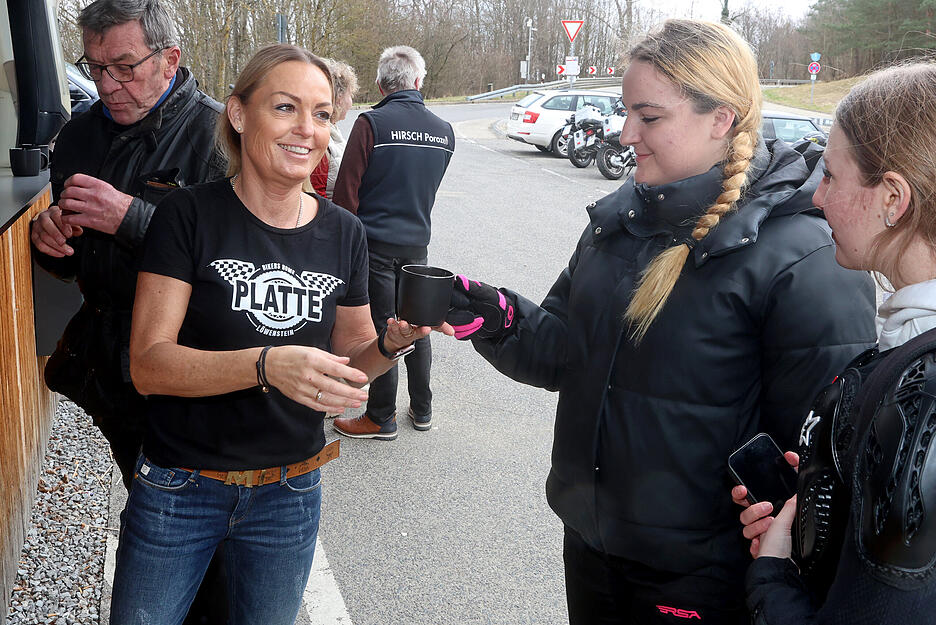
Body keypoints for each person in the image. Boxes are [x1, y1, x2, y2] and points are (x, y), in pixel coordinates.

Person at [444, 19, 877, 624]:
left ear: (721, 118)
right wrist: (494, 316)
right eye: (626, 112)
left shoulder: (803, 257)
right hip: (593, 547)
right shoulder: (615, 221)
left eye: (649, 117)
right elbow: (563, 353)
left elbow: (823, 456)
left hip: (707, 576)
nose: (626, 134)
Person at [110, 43, 443, 623]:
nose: (306, 130)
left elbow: (351, 364)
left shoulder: (345, 233)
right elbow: (149, 364)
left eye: (321, 114)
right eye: (286, 107)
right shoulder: (187, 216)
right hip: (179, 489)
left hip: (287, 495)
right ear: (239, 115)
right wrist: (266, 363)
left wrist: (393, 344)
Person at [734, 62, 936, 624]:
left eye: (831, 176)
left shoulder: (922, 392)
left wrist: (773, 573)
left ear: (893, 198)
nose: (818, 198)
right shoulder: (908, 345)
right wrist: (825, 518)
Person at [30, 0, 224, 490]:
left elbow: (240, 265)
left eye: (123, 68)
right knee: (146, 493)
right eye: (95, 67)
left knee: (186, 513)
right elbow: (74, 266)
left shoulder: (220, 137)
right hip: (110, 369)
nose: (106, 85)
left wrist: (133, 219)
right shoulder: (77, 136)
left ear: (170, 60)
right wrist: (48, 240)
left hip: (191, 370)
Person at [332, 45, 455, 440]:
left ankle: (380, 417)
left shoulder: (372, 124)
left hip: (374, 246)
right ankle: (422, 408)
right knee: (418, 324)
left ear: (381, 84)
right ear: (418, 82)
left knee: (383, 330)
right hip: (417, 245)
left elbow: (346, 193)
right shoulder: (443, 130)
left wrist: (342, 247)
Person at [309, 58, 359, 199]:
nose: (351, 102)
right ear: (339, 98)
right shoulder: (321, 139)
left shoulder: (334, 132)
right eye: (351, 95)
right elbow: (316, 194)